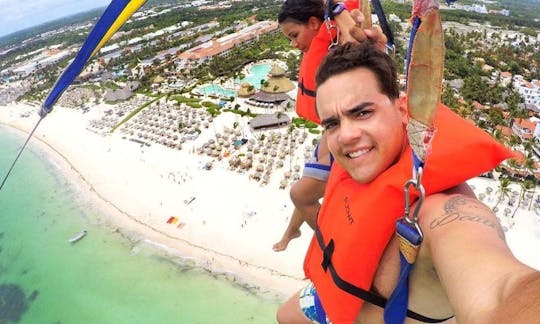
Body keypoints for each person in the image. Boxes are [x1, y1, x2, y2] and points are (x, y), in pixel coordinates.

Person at [277, 42, 540, 323]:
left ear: (403, 109)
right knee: (284, 316)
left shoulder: (447, 215)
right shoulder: (359, 152)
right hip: (330, 298)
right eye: (332, 124)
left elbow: (502, 292)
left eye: (363, 113)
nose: (346, 136)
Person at [273, 0, 384, 252]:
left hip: (346, 132)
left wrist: (341, 15)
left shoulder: (341, 41)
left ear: (314, 23)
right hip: (330, 131)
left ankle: (335, 247)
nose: (293, 44)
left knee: (300, 195)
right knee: (306, 185)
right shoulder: (327, 36)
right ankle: (293, 230)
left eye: (294, 35)